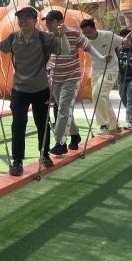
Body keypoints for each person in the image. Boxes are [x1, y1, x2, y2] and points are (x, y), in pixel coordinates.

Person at [0, 6, 69, 176]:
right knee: (18, 125)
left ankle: (44, 155)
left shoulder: (45, 37)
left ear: (35, 20)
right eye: (20, 17)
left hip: (40, 89)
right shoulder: (13, 38)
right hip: (19, 89)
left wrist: (62, 36)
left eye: (26, 17)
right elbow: (1, 46)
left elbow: (65, 51)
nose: (22, 20)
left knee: (42, 124)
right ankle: (17, 161)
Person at [43, 10, 107, 156]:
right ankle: (75, 135)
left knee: (63, 109)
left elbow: (88, 47)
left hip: (71, 78)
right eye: (46, 22)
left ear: (60, 22)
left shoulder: (74, 33)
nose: (47, 24)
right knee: (64, 110)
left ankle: (60, 143)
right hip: (55, 78)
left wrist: (101, 58)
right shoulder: (48, 35)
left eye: (50, 22)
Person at [79, 19, 129, 134]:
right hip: (95, 71)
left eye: (89, 32)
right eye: (84, 33)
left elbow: (123, 41)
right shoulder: (84, 40)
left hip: (110, 70)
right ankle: (114, 126)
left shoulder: (108, 35)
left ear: (94, 28)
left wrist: (127, 40)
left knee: (98, 93)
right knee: (102, 98)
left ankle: (104, 124)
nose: (87, 35)